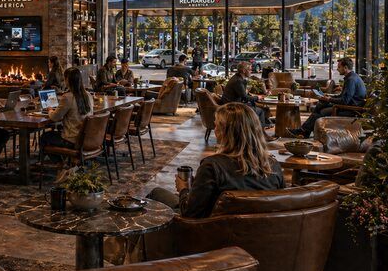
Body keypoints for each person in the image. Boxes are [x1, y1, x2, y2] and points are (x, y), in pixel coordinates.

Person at [147, 103, 285, 218]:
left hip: (211, 237)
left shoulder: (212, 167)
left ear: (224, 132)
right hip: (260, 237)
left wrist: (184, 190)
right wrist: (199, 185)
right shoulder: (274, 166)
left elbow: (190, 213)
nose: (214, 128)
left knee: (156, 193)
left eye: (217, 125)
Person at [289, 57, 366, 138]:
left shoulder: (351, 80)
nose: (337, 69)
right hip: (349, 106)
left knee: (321, 112)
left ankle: (304, 131)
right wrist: (329, 96)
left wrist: (329, 99)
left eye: (339, 67)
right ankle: (304, 131)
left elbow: (345, 100)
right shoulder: (352, 77)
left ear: (345, 68)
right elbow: (342, 96)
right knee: (321, 104)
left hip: (351, 110)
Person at [40, 68, 94, 161]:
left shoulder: (68, 97)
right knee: (54, 134)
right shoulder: (88, 95)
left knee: (44, 137)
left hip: (72, 139)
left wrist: (49, 110)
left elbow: (54, 118)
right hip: (85, 138)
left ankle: (59, 164)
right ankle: (65, 162)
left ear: (67, 80)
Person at [221, 61, 271, 128]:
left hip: (233, 104)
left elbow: (243, 94)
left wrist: (253, 95)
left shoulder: (238, 78)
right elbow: (245, 98)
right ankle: (261, 132)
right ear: (244, 70)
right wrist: (258, 97)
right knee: (261, 111)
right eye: (250, 69)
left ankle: (258, 128)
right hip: (233, 106)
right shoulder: (238, 81)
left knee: (262, 108)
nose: (251, 71)